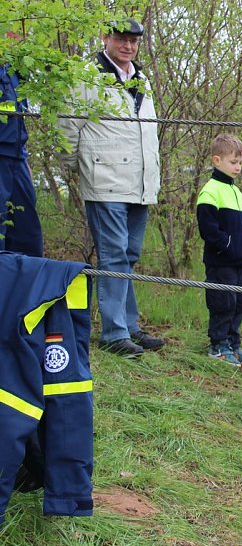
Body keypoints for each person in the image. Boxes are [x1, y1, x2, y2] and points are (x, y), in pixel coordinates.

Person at [57, 18, 164, 358]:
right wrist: (82, 166)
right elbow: (67, 128)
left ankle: (129, 325)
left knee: (129, 254)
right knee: (113, 255)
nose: (128, 45)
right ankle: (114, 332)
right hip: (104, 181)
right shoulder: (87, 76)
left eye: (133, 40)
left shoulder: (142, 78)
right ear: (106, 38)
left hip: (140, 182)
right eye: (121, 39)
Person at [195, 133, 242, 367]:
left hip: (238, 261)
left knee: (238, 303)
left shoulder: (236, 192)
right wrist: (228, 245)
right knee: (222, 302)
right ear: (216, 160)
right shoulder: (210, 191)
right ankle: (217, 344)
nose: (238, 167)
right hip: (221, 261)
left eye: (240, 163)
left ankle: (233, 343)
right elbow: (209, 230)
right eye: (233, 162)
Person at [1, 41, 43, 257]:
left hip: (17, 158)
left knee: (28, 239)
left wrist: (24, 162)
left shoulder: (17, 67)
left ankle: (22, 289)